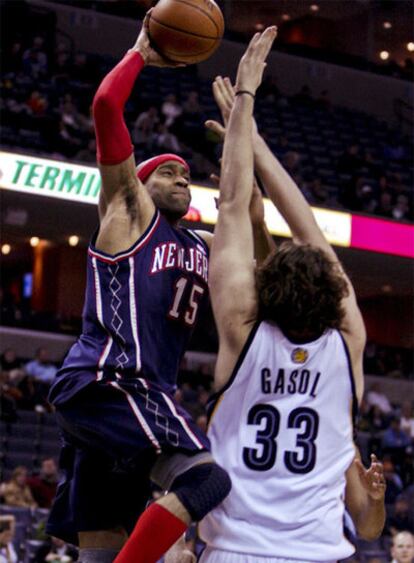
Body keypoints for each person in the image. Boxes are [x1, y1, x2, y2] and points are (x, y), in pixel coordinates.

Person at [46, 12, 272, 563]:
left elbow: (267, 280)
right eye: (167, 172)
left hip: (124, 412)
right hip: (113, 381)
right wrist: (141, 53)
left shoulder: (202, 245)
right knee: (205, 484)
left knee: (103, 552)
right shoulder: (128, 211)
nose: (181, 178)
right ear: (140, 183)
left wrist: (258, 218)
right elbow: (105, 107)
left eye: (186, 174)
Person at [199, 30, 384, 561]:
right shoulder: (348, 343)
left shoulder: (241, 330)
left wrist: (246, 106)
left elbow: (232, 202)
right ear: (335, 290)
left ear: (265, 292)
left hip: (236, 550)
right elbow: (307, 228)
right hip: (317, 552)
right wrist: (252, 128)